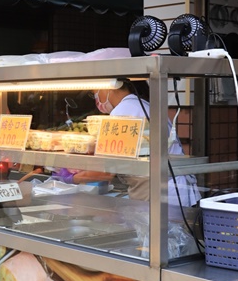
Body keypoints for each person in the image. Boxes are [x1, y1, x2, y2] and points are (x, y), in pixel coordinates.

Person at [69, 79, 200, 208]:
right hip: (169, 188)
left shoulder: (123, 112)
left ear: (110, 86)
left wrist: (70, 177)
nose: (96, 97)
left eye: (95, 92)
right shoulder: (140, 105)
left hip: (162, 192)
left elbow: (107, 171)